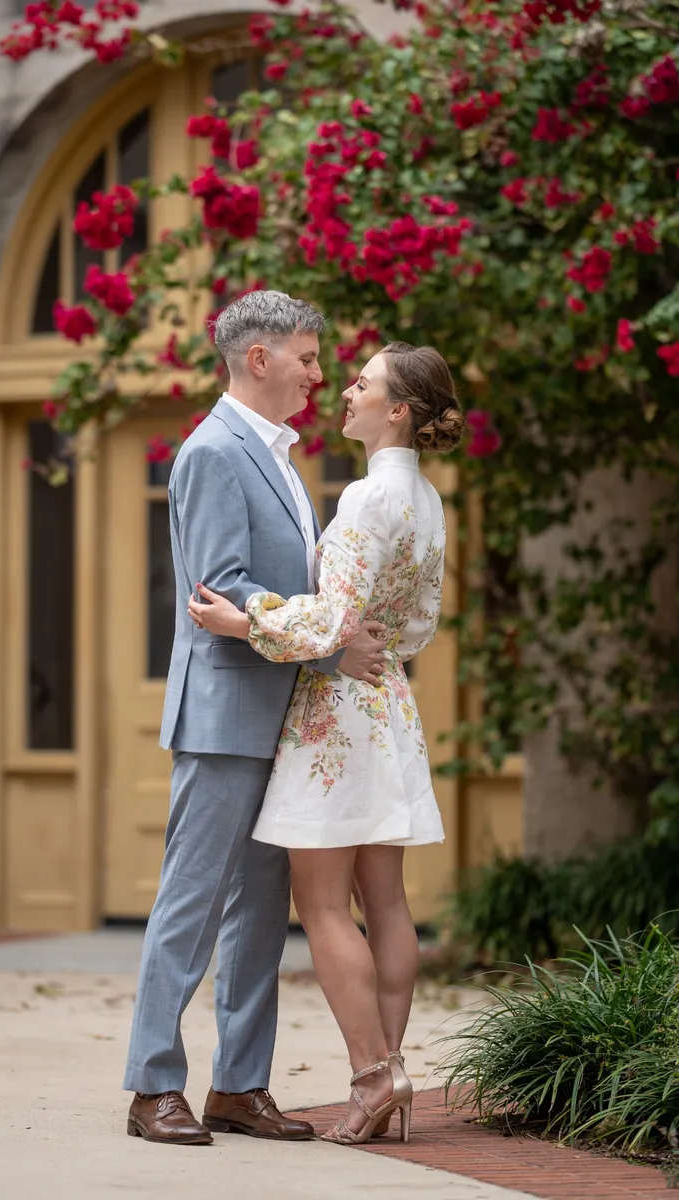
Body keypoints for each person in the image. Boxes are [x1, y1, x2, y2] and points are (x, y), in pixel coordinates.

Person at [123, 290, 390, 1146]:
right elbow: (221, 588)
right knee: (191, 905)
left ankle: (239, 1085)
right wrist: (328, 647)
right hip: (224, 717)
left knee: (258, 913)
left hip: (283, 721)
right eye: (310, 357)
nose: (321, 373)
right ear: (260, 358)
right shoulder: (211, 451)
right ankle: (151, 1086)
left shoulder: (282, 455)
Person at [189, 341, 464, 1145]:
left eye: (363, 384)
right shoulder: (430, 504)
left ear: (399, 411)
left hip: (334, 717)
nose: (344, 391)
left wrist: (246, 620)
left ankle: (374, 1078)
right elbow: (418, 626)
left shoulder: (365, 500)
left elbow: (332, 621)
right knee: (386, 900)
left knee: (321, 904)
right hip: (390, 708)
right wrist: (368, 638)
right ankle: (395, 1067)